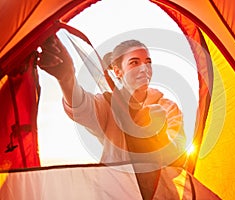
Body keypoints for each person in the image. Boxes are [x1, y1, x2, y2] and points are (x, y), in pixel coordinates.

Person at [38, 35, 187, 199]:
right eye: (134, 62)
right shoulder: (108, 105)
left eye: (148, 62)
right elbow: (82, 107)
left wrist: (161, 134)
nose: (144, 68)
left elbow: (178, 157)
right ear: (117, 71)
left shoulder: (167, 107)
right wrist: (67, 77)